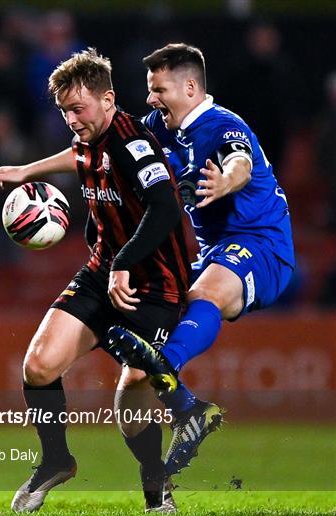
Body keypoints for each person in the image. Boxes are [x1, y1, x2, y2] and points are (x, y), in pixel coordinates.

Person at [0, 48, 191, 513]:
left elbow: (165, 208)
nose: (71, 119)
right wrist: (26, 171)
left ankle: (156, 488)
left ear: (108, 99)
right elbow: (76, 154)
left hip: (154, 282)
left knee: (131, 392)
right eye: (64, 111)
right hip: (103, 272)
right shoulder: (90, 137)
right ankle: (56, 460)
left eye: (78, 108)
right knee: (38, 366)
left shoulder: (133, 144)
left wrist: (125, 263)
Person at [107, 43, 295, 475]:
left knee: (203, 293)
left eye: (159, 89)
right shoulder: (160, 126)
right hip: (213, 252)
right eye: (150, 90)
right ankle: (166, 458)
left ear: (190, 87)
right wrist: (27, 171)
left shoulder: (223, 125)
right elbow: (103, 148)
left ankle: (171, 384)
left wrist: (226, 183)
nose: (151, 99)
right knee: (139, 358)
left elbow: (240, 164)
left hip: (261, 246)